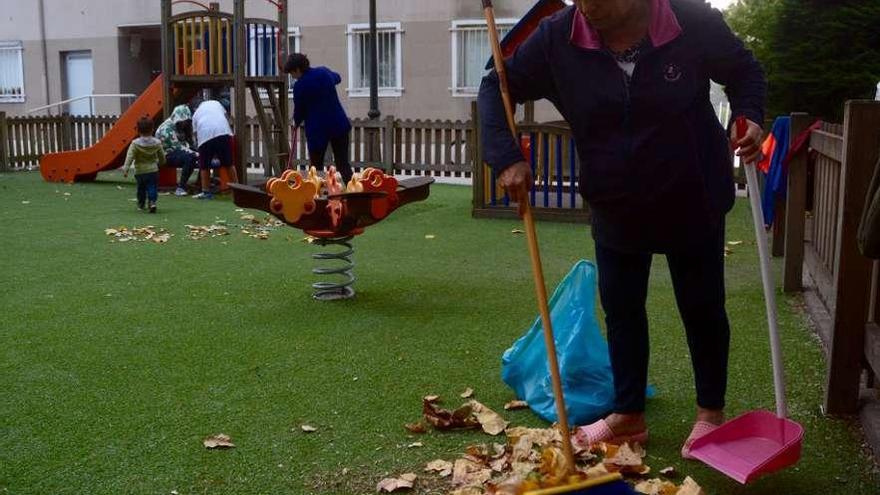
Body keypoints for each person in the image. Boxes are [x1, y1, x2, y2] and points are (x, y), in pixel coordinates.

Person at [478, 0, 765, 459]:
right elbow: (497, 85)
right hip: (615, 195)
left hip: (691, 188)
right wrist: (506, 155)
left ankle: (710, 412)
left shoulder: (689, 20)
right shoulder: (559, 35)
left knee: (702, 305)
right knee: (622, 306)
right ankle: (628, 415)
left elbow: (745, 71)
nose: (587, 8)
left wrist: (750, 116)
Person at [284, 53, 353, 182]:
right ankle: (354, 192)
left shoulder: (300, 86)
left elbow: (299, 110)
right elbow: (337, 78)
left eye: (292, 73)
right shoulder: (323, 72)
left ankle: (316, 195)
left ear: (298, 69)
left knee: (316, 167)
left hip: (318, 130)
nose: (292, 77)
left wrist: (296, 122)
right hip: (338, 124)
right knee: (343, 163)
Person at [192, 98, 238, 199]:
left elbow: (195, 133)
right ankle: (237, 190)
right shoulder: (217, 104)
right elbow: (226, 118)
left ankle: (206, 191)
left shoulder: (196, 114)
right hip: (223, 132)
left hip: (205, 136)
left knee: (204, 165)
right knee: (229, 163)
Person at [122, 117, 165, 213]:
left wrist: (126, 169)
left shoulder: (135, 144)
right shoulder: (157, 143)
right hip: (153, 170)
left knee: (141, 188)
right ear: (152, 129)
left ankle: (141, 204)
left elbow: (129, 156)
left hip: (140, 171)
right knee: (152, 187)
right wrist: (162, 162)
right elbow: (162, 155)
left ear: (137, 130)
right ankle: (152, 202)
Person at [155, 104, 199, 196]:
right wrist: (196, 154)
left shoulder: (182, 127)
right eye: (183, 120)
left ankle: (200, 184)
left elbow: (188, 144)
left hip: (177, 152)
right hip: (165, 155)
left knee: (195, 156)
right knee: (190, 158)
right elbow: (177, 147)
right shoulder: (166, 128)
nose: (185, 123)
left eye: (186, 121)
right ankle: (181, 187)